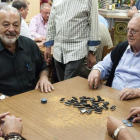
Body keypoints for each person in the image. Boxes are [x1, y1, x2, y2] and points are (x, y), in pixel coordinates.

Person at [0, 6, 54, 97]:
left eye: (16, 25)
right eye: (6, 24)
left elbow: (43, 68)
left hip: (34, 98)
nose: (11, 29)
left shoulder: (30, 45)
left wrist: (44, 78)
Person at [44, 0, 100, 81]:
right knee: (61, 83)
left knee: (68, 84)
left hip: (77, 49)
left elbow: (94, 24)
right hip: (58, 50)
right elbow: (51, 22)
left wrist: (92, 51)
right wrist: (48, 47)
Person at [88, 15, 140, 100]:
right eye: (128, 30)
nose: (129, 35)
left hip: (136, 102)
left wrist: (137, 91)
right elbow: (104, 65)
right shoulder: (121, 48)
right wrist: (96, 70)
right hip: (112, 97)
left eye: (134, 31)